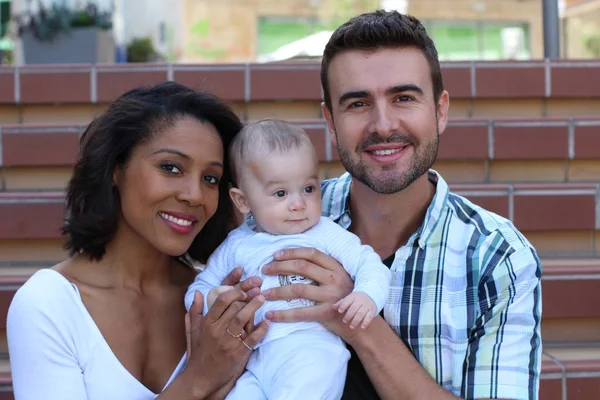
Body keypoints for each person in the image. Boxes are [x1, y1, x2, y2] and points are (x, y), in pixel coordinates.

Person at [256, 10, 542, 400]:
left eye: (403, 98)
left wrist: (357, 320)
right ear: (330, 120)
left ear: (440, 111)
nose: (383, 125)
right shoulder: (273, 219)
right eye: (357, 104)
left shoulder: (497, 257)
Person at [7, 81, 269, 400]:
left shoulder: (212, 302)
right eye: (170, 167)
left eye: (210, 178)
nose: (194, 195)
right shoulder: (49, 303)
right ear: (116, 169)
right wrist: (198, 379)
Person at [185, 119, 391, 400]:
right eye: (280, 193)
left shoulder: (325, 233)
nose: (298, 203)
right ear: (243, 201)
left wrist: (367, 296)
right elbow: (197, 290)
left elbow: (369, 264)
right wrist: (213, 298)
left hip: (311, 352)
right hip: (255, 359)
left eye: (308, 189)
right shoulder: (237, 245)